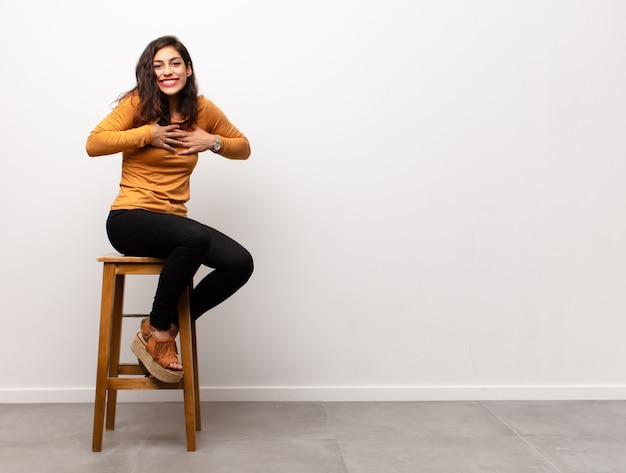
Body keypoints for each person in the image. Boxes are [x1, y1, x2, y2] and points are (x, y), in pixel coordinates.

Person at [86, 35, 253, 383]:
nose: (167, 71)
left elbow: (244, 148)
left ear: (188, 69)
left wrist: (213, 142)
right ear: (150, 73)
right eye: (158, 65)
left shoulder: (202, 110)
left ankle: (161, 326)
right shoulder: (137, 105)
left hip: (173, 224)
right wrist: (147, 134)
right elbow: (94, 143)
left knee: (239, 263)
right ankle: (159, 334)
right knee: (193, 237)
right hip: (129, 219)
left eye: (175, 63)